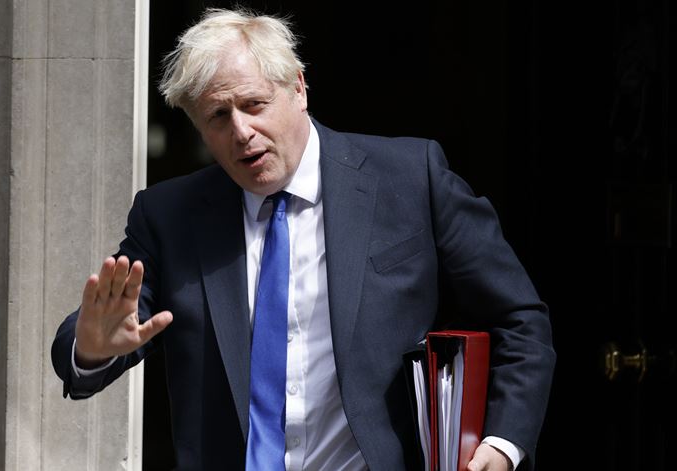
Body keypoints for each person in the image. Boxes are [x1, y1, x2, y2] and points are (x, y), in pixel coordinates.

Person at [51, 8, 555, 471]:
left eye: (254, 104)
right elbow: (98, 330)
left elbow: (519, 321)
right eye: (218, 117)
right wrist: (92, 348)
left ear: (298, 88)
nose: (242, 131)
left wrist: (502, 443)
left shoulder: (409, 179)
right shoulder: (169, 216)